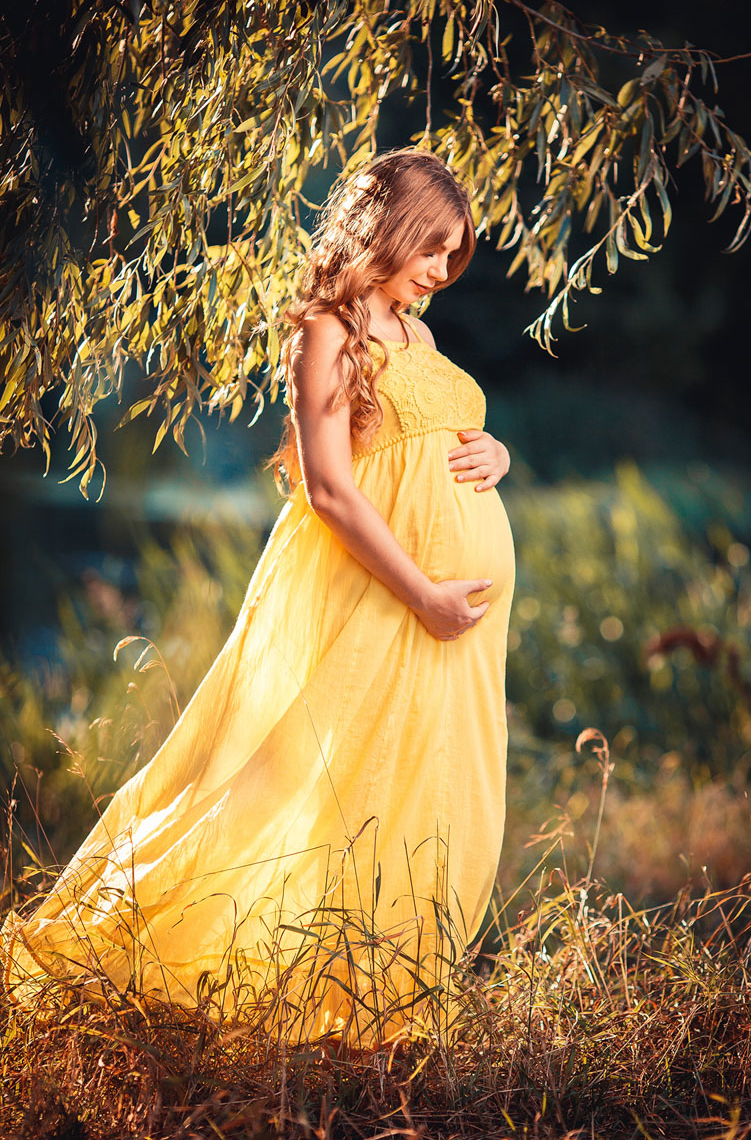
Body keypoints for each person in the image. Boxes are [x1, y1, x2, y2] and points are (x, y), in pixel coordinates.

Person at [1, 148, 515, 1048]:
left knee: (420, 784)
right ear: (385, 230)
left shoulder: (419, 334)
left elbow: (451, 436)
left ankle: (379, 1009)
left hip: (452, 621)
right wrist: (424, 594)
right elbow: (329, 487)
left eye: (452, 258)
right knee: (302, 777)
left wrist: (499, 456)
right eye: (432, 250)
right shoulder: (324, 330)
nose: (441, 274)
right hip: (388, 596)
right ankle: (134, 953)